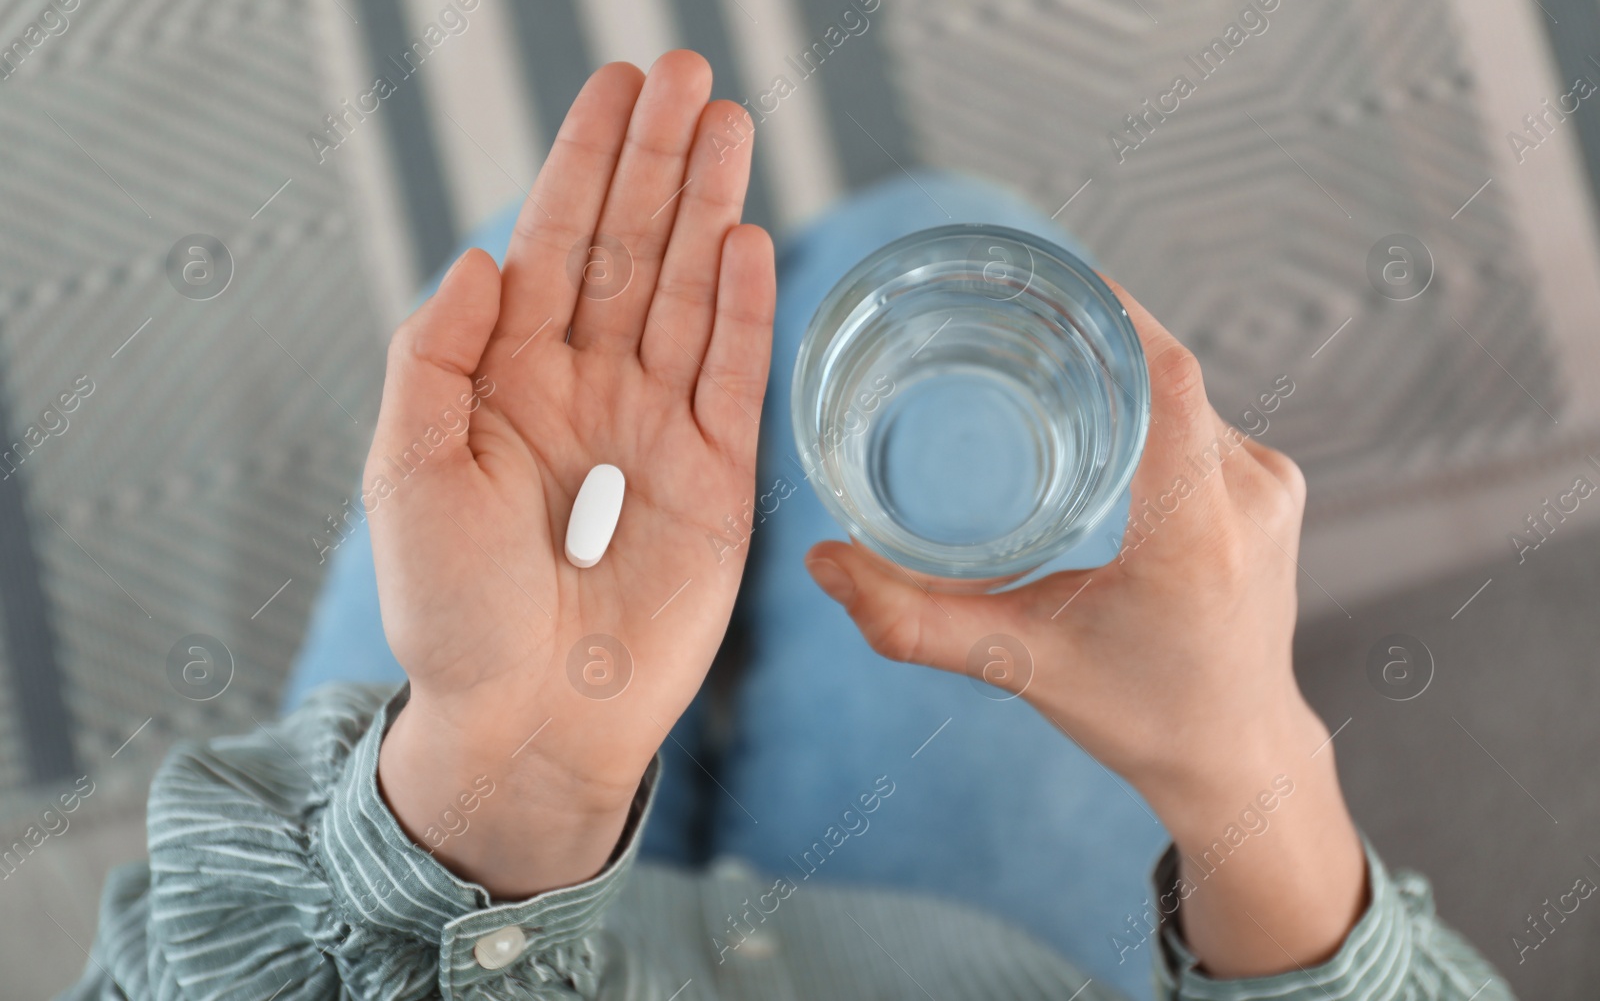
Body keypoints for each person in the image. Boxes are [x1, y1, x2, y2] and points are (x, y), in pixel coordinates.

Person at [63, 51, 1510, 1000]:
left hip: (436, 932)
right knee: (923, 236)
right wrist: (1246, 760)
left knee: (543, 282)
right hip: (972, 960)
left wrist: (513, 768)